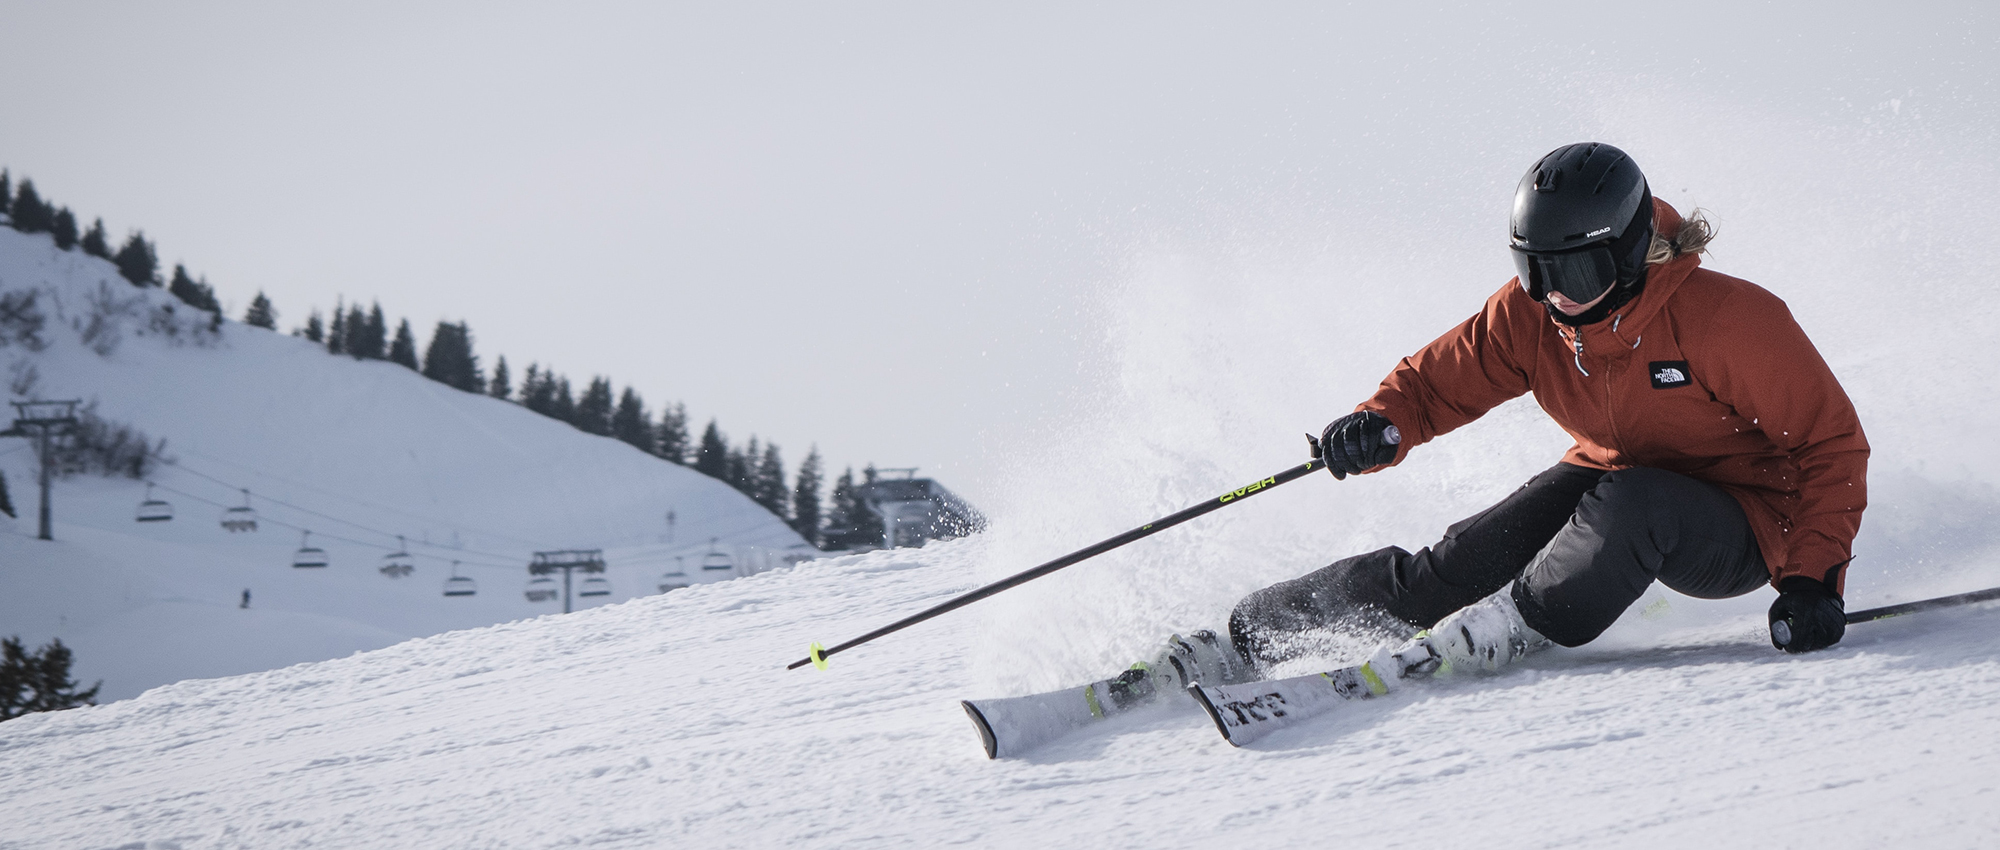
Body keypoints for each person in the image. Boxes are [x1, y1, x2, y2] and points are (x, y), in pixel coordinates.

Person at [1149, 142, 1868, 689]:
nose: (1554, 296)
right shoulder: (1534, 318)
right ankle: (1251, 635)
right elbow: (1436, 383)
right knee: (1454, 566)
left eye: (1574, 274)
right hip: (1610, 478)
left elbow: (1831, 446)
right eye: (1537, 272)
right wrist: (1383, 422)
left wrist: (1812, 581)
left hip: (1745, 519)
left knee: (1639, 501)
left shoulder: (1730, 321)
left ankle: (1512, 625)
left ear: (1623, 257)